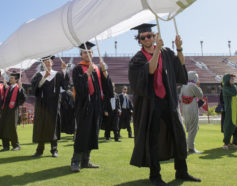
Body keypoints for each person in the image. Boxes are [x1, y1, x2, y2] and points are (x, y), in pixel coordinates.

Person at [128, 23, 201, 185]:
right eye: (143, 37)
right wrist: (157, 51)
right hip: (151, 103)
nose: (147, 38)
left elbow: (179, 67)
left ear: (154, 36)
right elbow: (150, 70)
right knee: (152, 139)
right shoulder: (137, 59)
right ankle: (155, 176)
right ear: (139, 40)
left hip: (168, 100)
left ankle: (181, 172)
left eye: (149, 35)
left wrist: (180, 49)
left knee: (179, 136)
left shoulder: (167, 52)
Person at [70, 41, 113, 172]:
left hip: (97, 105)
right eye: (84, 52)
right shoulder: (78, 68)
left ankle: (86, 161)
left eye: (89, 52)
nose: (87, 54)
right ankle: (75, 161)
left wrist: (105, 73)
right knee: (82, 133)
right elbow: (79, 89)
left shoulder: (97, 68)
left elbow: (107, 88)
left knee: (93, 133)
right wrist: (87, 73)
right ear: (81, 54)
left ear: (93, 53)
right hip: (84, 106)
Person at [32, 56, 69, 157]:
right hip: (42, 105)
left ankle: (54, 150)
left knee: (54, 126)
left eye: (49, 61)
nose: (48, 62)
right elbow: (35, 90)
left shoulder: (57, 74)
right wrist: (44, 78)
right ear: (42, 63)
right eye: (45, 61)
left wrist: (64, 70)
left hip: (53, 105)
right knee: (41, 126)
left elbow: (65, 86)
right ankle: (39, 150)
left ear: (52, 63)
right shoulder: (39, 75)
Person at [0, 73, 26, 151]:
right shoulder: (8, 88)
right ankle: (6, 146)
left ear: (16, 80)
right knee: (4, 127)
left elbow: (23, 99)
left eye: (12, 78)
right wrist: (4, 87)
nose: (10, 79)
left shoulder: (19, 88)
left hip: (13, 110)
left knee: (12, 128)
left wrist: (21, 89)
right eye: (10, 78)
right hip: (5, 110)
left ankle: (16, 145)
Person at [180, 71, 204, 154]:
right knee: (193, 128)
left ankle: (187, 146)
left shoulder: (183, 86)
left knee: (191, 128)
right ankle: (191, 148)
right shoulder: (192, 86)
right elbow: (200, 95)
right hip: (192, 107)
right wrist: (198, 86)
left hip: (184, 108)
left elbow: (180, 98)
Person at [222, 74, 237, 150]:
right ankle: (226, 144)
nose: (233, 81)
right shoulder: (225, 88)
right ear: (227, 80)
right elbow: (234, 93)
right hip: (230, 111)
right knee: (229, 127)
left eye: (233, 79)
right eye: (231, 79)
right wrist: (235, 88)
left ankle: (236, 143)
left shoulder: (232, 87)